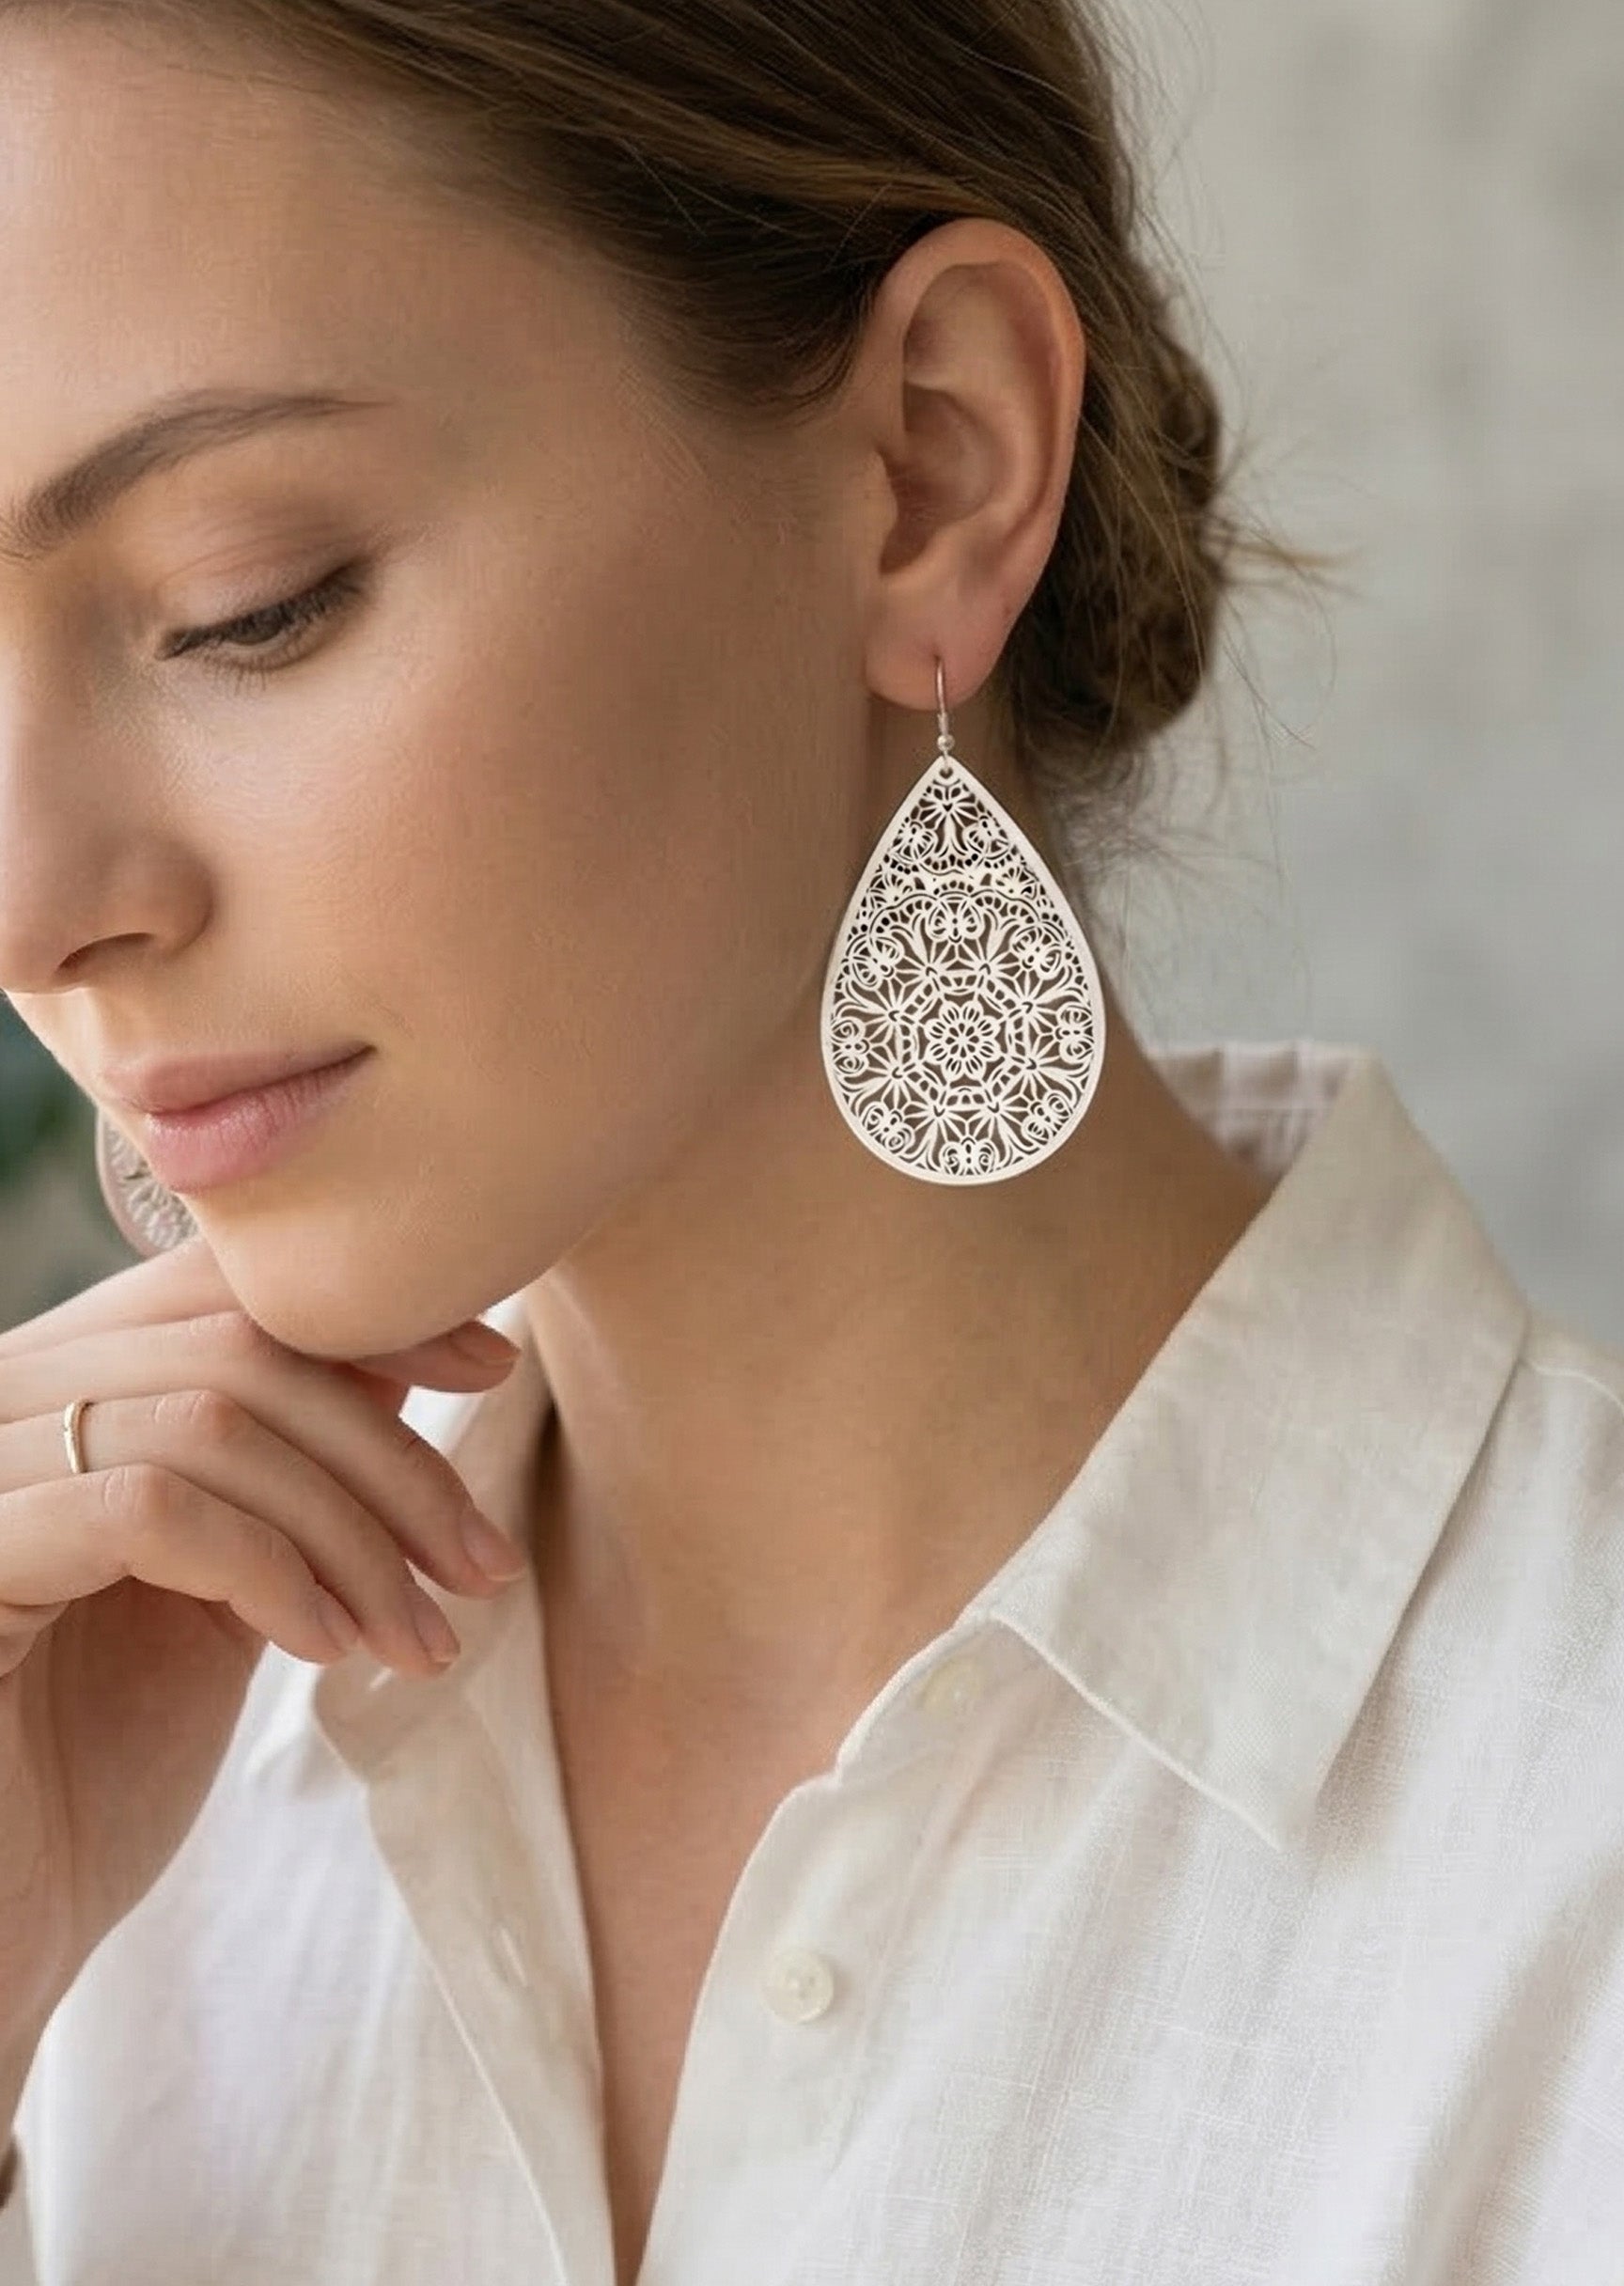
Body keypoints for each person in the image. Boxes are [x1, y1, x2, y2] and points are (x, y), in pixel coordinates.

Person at [0, 2, 1618, 2282]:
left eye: (243, 600)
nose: (35, 901)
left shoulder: (1564, 1854)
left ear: (933, 469)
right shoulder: (101, 1776)